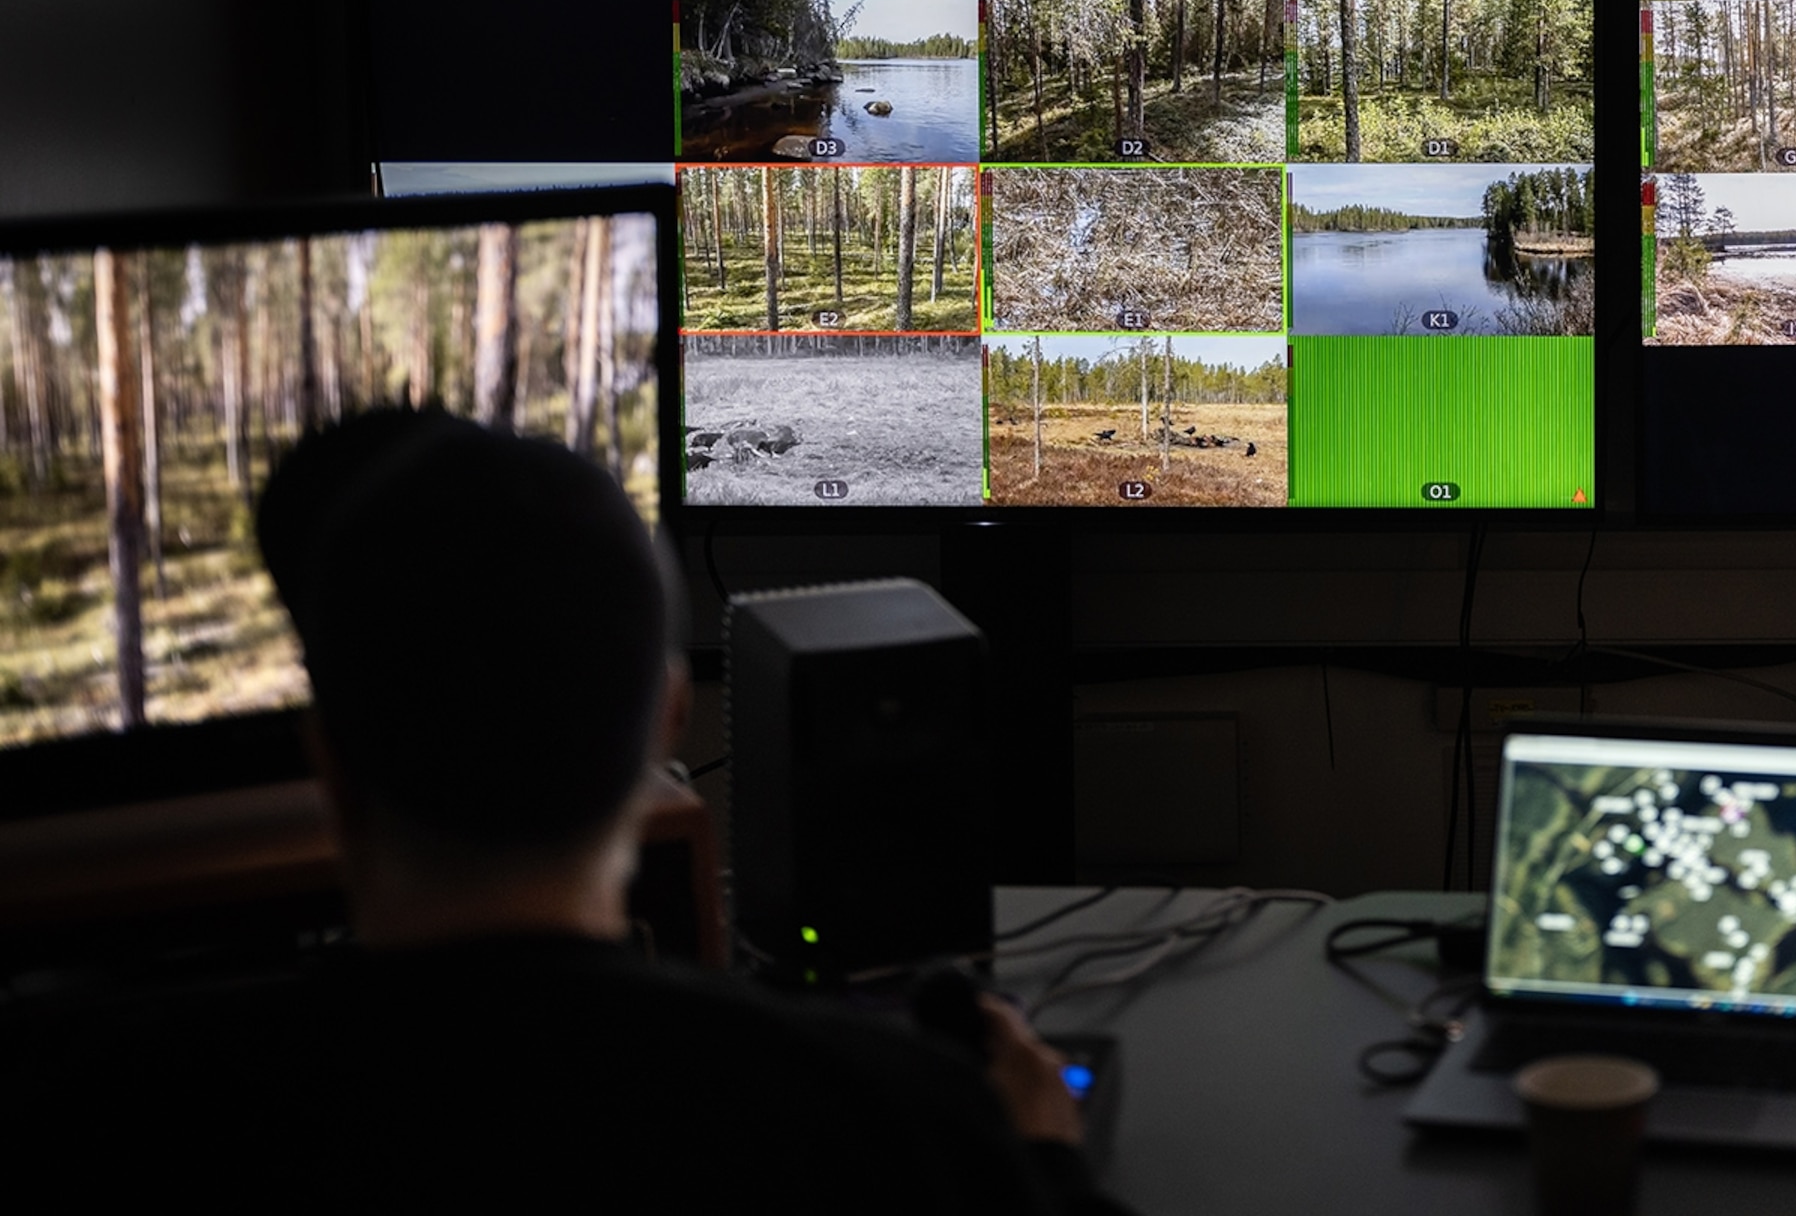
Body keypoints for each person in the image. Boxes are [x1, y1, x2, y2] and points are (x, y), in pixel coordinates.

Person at [4, 410, 1128, 1211]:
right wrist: (1040, 1162)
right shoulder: (897, 1121)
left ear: (327, 759)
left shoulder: (95, 1114)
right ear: (668, 727)